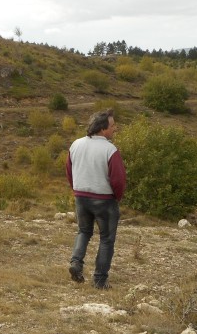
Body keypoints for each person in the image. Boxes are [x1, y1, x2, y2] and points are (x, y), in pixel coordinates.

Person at [66, 109, 126, 289]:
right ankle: (100, 280)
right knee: (106, 239)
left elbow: (69, 171)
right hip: (104, 200)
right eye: (112, 125)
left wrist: (77, 189)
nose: (115, 128)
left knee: (84, 232)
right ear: (102, 128)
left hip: (81, 197)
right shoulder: (110, 149)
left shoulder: (75, 144)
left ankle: (76, 263)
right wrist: (117, 197)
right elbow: (118, 179)